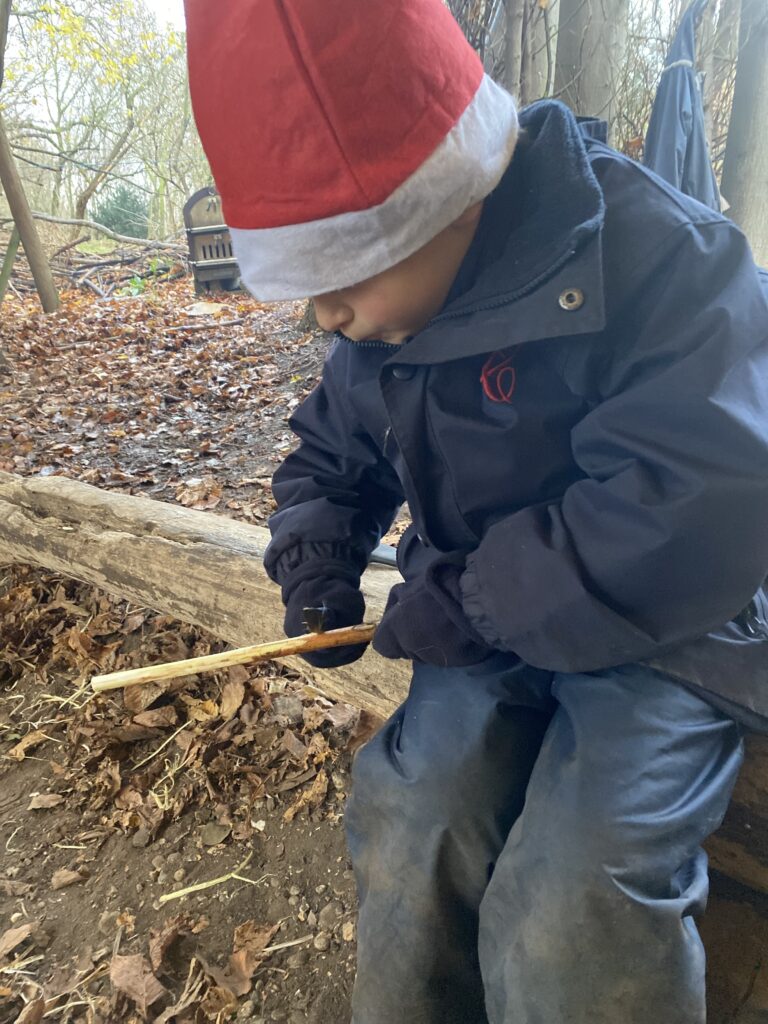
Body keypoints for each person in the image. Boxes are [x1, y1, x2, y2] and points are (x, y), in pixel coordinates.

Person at [183, 2, 768, 1021]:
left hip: (669, 633)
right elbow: (332, 448)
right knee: (414, 810)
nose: (325, 316)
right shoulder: (385, 321)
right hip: (485, 617)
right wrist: (317, 554)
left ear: (446, 201)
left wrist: (478, 603)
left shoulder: (662, 259)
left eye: (337, 277)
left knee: (575, 889)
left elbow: (701, 493)